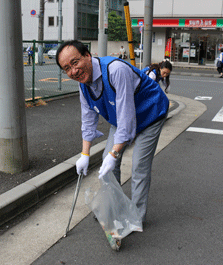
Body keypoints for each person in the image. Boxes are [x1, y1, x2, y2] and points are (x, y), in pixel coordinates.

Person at [56, 40, 169, 223]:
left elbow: (127, 120)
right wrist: (85, 154)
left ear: (87, 55)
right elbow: (88, 120)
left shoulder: (116, 70)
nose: (73, 71)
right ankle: (114, 208)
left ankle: (136, 218)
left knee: (139, 165)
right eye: (67, 68)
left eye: (75, 62)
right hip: (121, 116)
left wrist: (114, 152)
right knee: (107, 164)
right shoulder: (83, 83)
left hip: (150, 114)